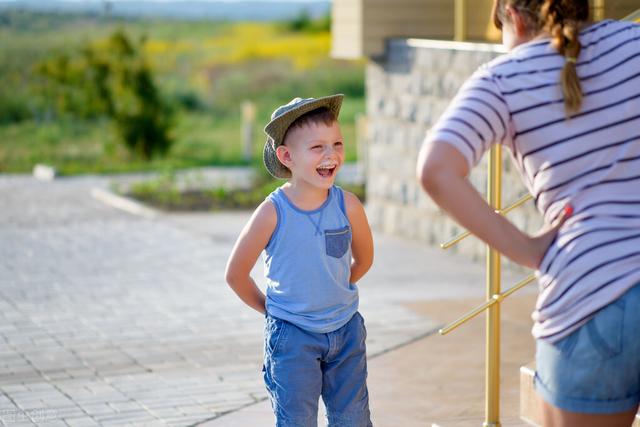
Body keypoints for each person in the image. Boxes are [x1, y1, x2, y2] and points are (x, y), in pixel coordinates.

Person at [416, 1, 640, 426]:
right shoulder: (634, 41)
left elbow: (435, 169)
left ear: (512, 16)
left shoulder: (501, 79)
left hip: (587, 290)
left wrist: (528, 250)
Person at [225, 94, 374, 427]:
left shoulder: (348, 205)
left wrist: (336, 289)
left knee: (353, 419)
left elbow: (364, 259)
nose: (331, 154)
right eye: (317, 147)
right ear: (286, 156)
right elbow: (235, 275)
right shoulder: (271, 213)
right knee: (297, 421)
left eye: (337, 143)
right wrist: (275, 311)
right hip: (292, 337)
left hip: (345, 330)